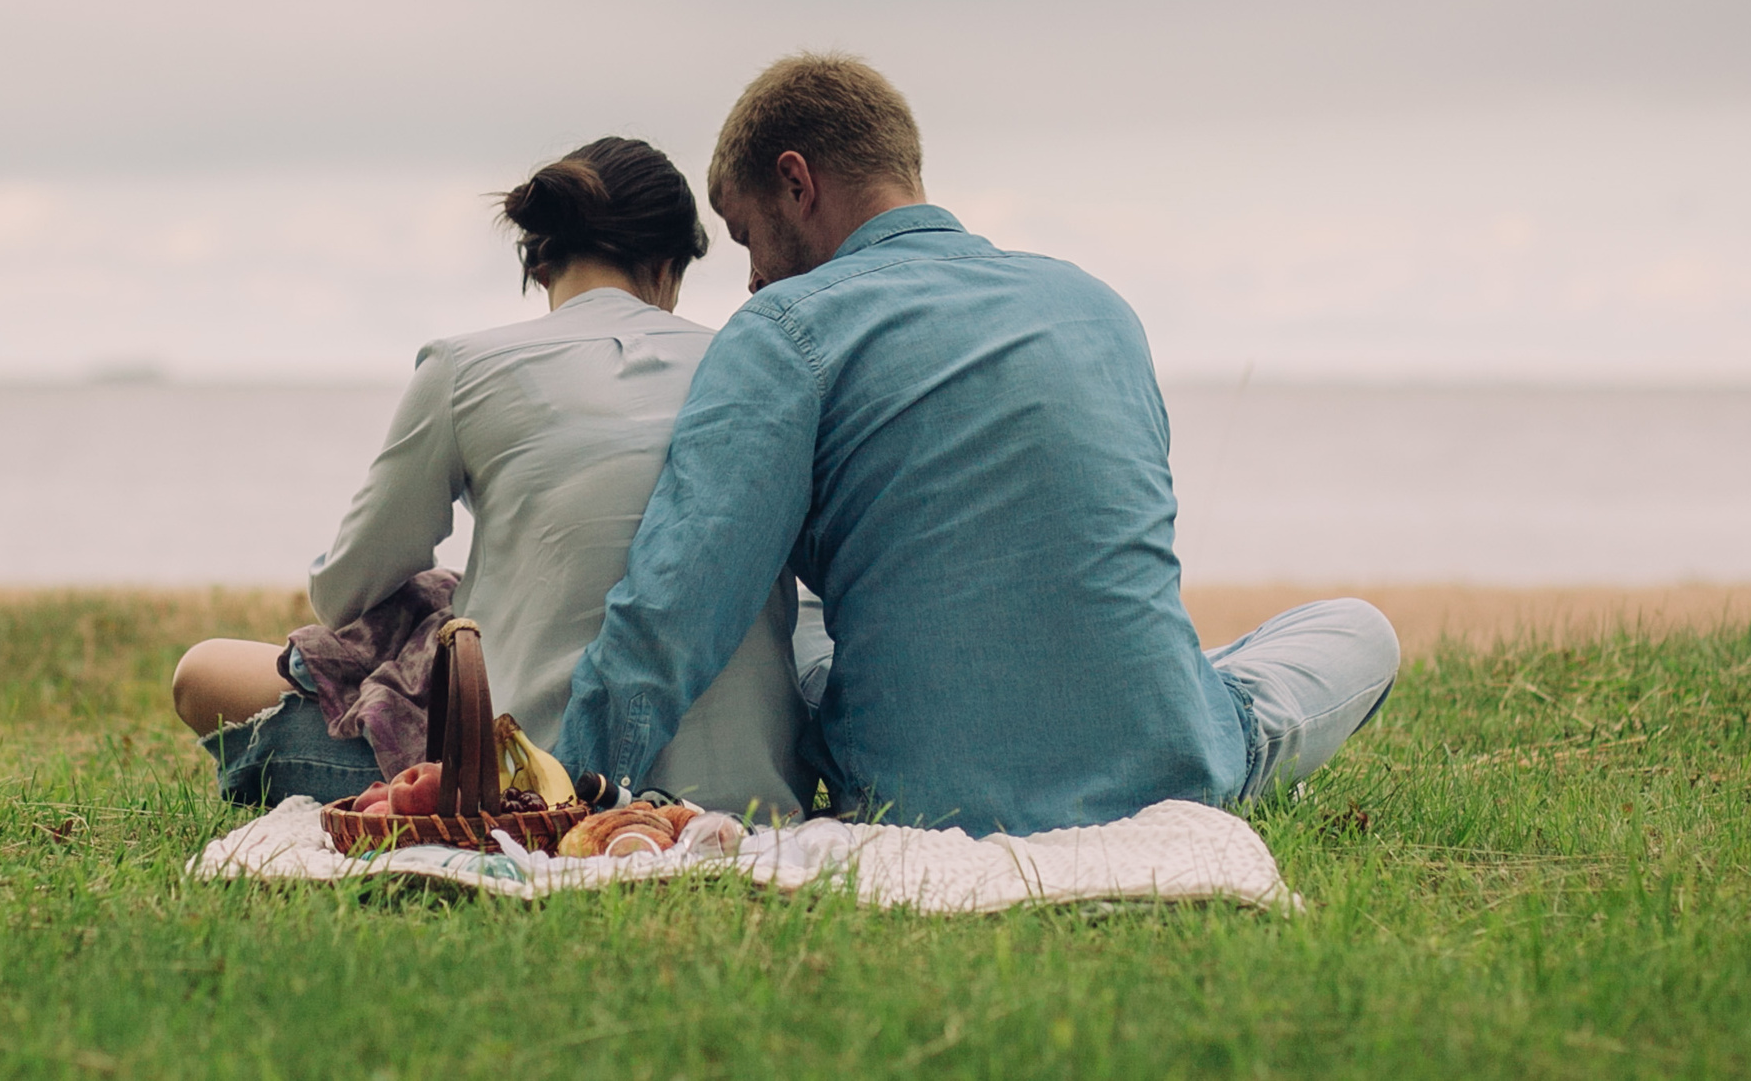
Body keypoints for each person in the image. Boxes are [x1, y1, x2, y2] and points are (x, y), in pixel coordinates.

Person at [555, 54, 1399, 835]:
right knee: (1358, 630)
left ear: (796, 182)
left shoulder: (783, 328)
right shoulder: (1096, 305)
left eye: (747, 237)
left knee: (802, 617)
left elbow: (678, 600)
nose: (751, 276)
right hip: (1171, 758)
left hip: (924, 793)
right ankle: (1145, 706)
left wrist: (570, 788)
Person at [171, 137, 812, 818]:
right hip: (756, 793)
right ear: (667, 268)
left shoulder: (465, 367)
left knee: (204, 673)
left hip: (531, 791)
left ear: (539, 263)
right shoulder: (757, 366)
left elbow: (345, 590)